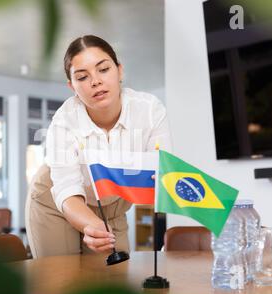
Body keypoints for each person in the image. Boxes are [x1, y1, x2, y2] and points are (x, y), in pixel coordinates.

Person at [25, 35, 172, 258]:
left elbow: (162, 171)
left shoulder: (149, 110)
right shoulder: (64, 122)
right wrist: (91, 224)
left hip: (112, 207)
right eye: (82, 77)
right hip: (57, 203)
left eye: (103, 69)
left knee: (113, 283)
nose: (95, 81)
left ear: (119, 71)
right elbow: (66, 191)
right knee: (62, 283)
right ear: (72, 86)